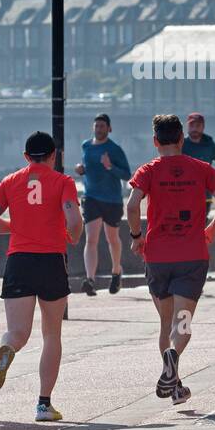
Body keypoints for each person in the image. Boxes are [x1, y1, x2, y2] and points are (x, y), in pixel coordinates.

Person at [126, 114, 215, 406]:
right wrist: (210, 231)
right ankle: (174, 359)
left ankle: (175, 385)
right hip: (192, 255)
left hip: (158, 256)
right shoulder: (200, 169)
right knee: (182, 322)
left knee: (165, 325)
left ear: (155, 141)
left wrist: (137, 236)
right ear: (182, 139)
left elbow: (132, 204)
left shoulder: (147, 170)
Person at [0, 131, 83, 422]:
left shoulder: (11, 182)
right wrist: (72, 237)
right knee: (51, 335)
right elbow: (74, 219)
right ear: (54, 155)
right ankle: (43, 405)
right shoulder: (63, 182)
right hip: (51, 260)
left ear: (25, 157)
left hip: (19, 261)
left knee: (18, 331)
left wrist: (16, 227)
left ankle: (8, 347)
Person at [74, 113, 132, 296]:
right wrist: (80, 169)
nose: (99, 129)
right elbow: (86, 165)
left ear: (109, 128)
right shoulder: (86, 145)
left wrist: (109, 166)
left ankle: (116, 272)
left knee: (111, 238)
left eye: (102, 126)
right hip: (91, 197)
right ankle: (90, 279)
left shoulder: (114, 149)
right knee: (91, 238)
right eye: (96, 126)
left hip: (112, 200)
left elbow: (127, 175)